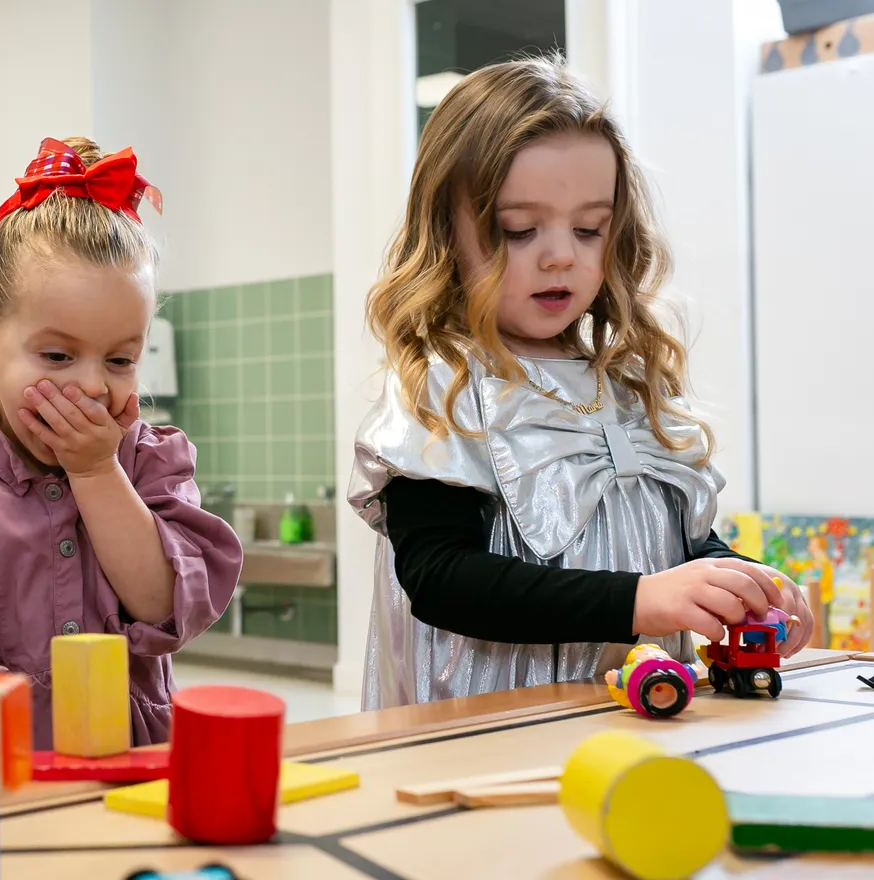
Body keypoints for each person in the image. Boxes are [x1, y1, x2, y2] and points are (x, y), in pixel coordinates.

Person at [345, 56, 815, 711]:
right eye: (520, 229)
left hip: (641, 722)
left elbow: (674, 544)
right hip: (491, 737)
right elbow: (440, 578)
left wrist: (736, 578)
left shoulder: (628, 383)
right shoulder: (444, 385)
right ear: (446, 233)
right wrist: (640, 601)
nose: (562, 253)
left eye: (589, 228)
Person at [0, 137, 243, 748]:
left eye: (120, 359)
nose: (91, 386)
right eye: (58, 355)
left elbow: (164, 605)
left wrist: (96, 472)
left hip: (132, 773)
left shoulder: (149, 464)